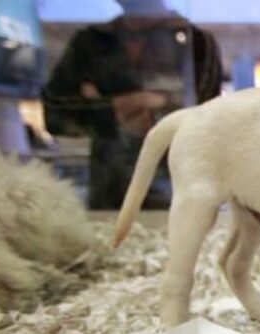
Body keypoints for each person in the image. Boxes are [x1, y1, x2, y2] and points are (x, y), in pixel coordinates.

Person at [41, 0, 222, 209]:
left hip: (176, 189)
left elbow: (207, 123)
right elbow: (55, 115)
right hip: (110, 191)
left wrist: (105, 107)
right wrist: (132, 105)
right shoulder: (91, 42)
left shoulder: (196, 43)